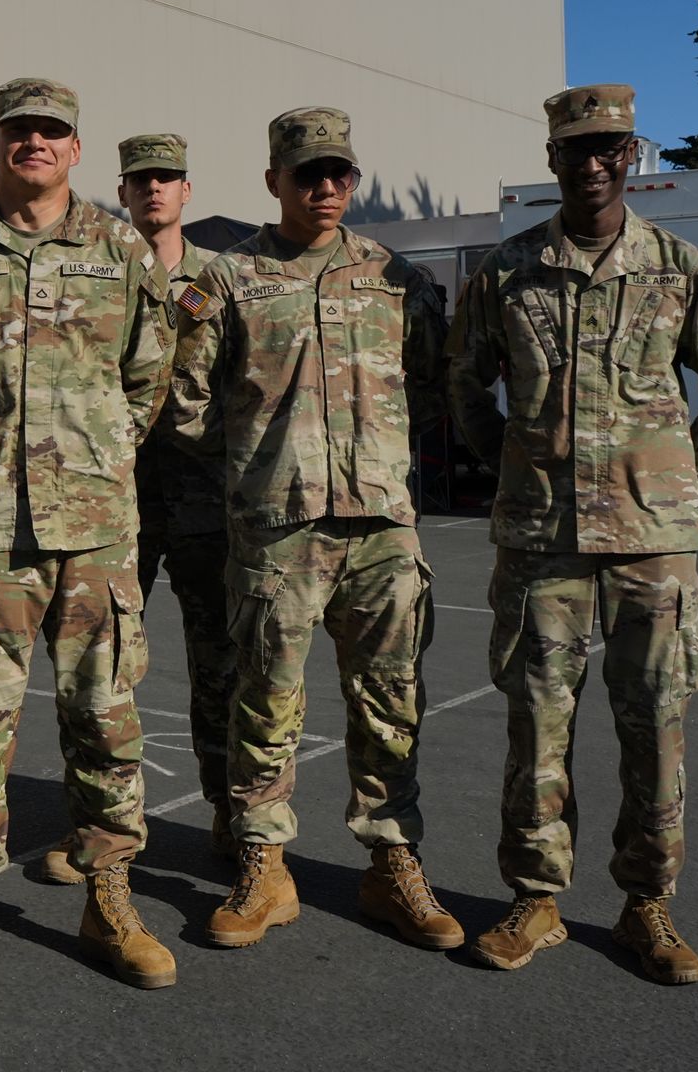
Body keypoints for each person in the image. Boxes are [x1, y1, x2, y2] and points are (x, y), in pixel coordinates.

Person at [445, 84, 698, 985]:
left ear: (632, 155)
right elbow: (467, 393)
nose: (593, 163)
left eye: (610, 147)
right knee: (536, 729)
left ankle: (646, 906)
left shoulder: (678, 266)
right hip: (543, 545)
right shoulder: (506, 271)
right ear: (553, 158)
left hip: (654, 551)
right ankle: (536, 899)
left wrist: (675, 486)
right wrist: (517, 470)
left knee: (656, 728)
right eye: (577, 148)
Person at [0, 77, 176, 997]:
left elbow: (149, 375)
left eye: (53, 132)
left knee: (104, 719)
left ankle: (109, 897)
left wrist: (97, 454)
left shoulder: (120, 247)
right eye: (20, 131)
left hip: (96, 532)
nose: (36, 144)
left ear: (77, 149)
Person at [165, 108, 458, 953]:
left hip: (381, 528)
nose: (325, 188)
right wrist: (258, 467)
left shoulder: (394, 276)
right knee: (265, 699)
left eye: (339, 174)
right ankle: (264, 864)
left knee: (390, 700)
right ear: (273, 181)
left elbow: (430, 386)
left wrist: (383, 463)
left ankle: (392, 863)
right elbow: (185, 404)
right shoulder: (226, 281)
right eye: (306, 174)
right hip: (278, 530)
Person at [39, 131, 236, 885]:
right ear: (121, 190)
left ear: (187, 192)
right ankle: (94, 821)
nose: (154, 190)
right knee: (99, 666)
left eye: (168, 179)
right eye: (140, 179)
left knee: (216, 661)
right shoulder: (94, 268)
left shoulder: (218, 280)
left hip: (199, 495)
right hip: (107, 497)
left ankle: (226, 807)